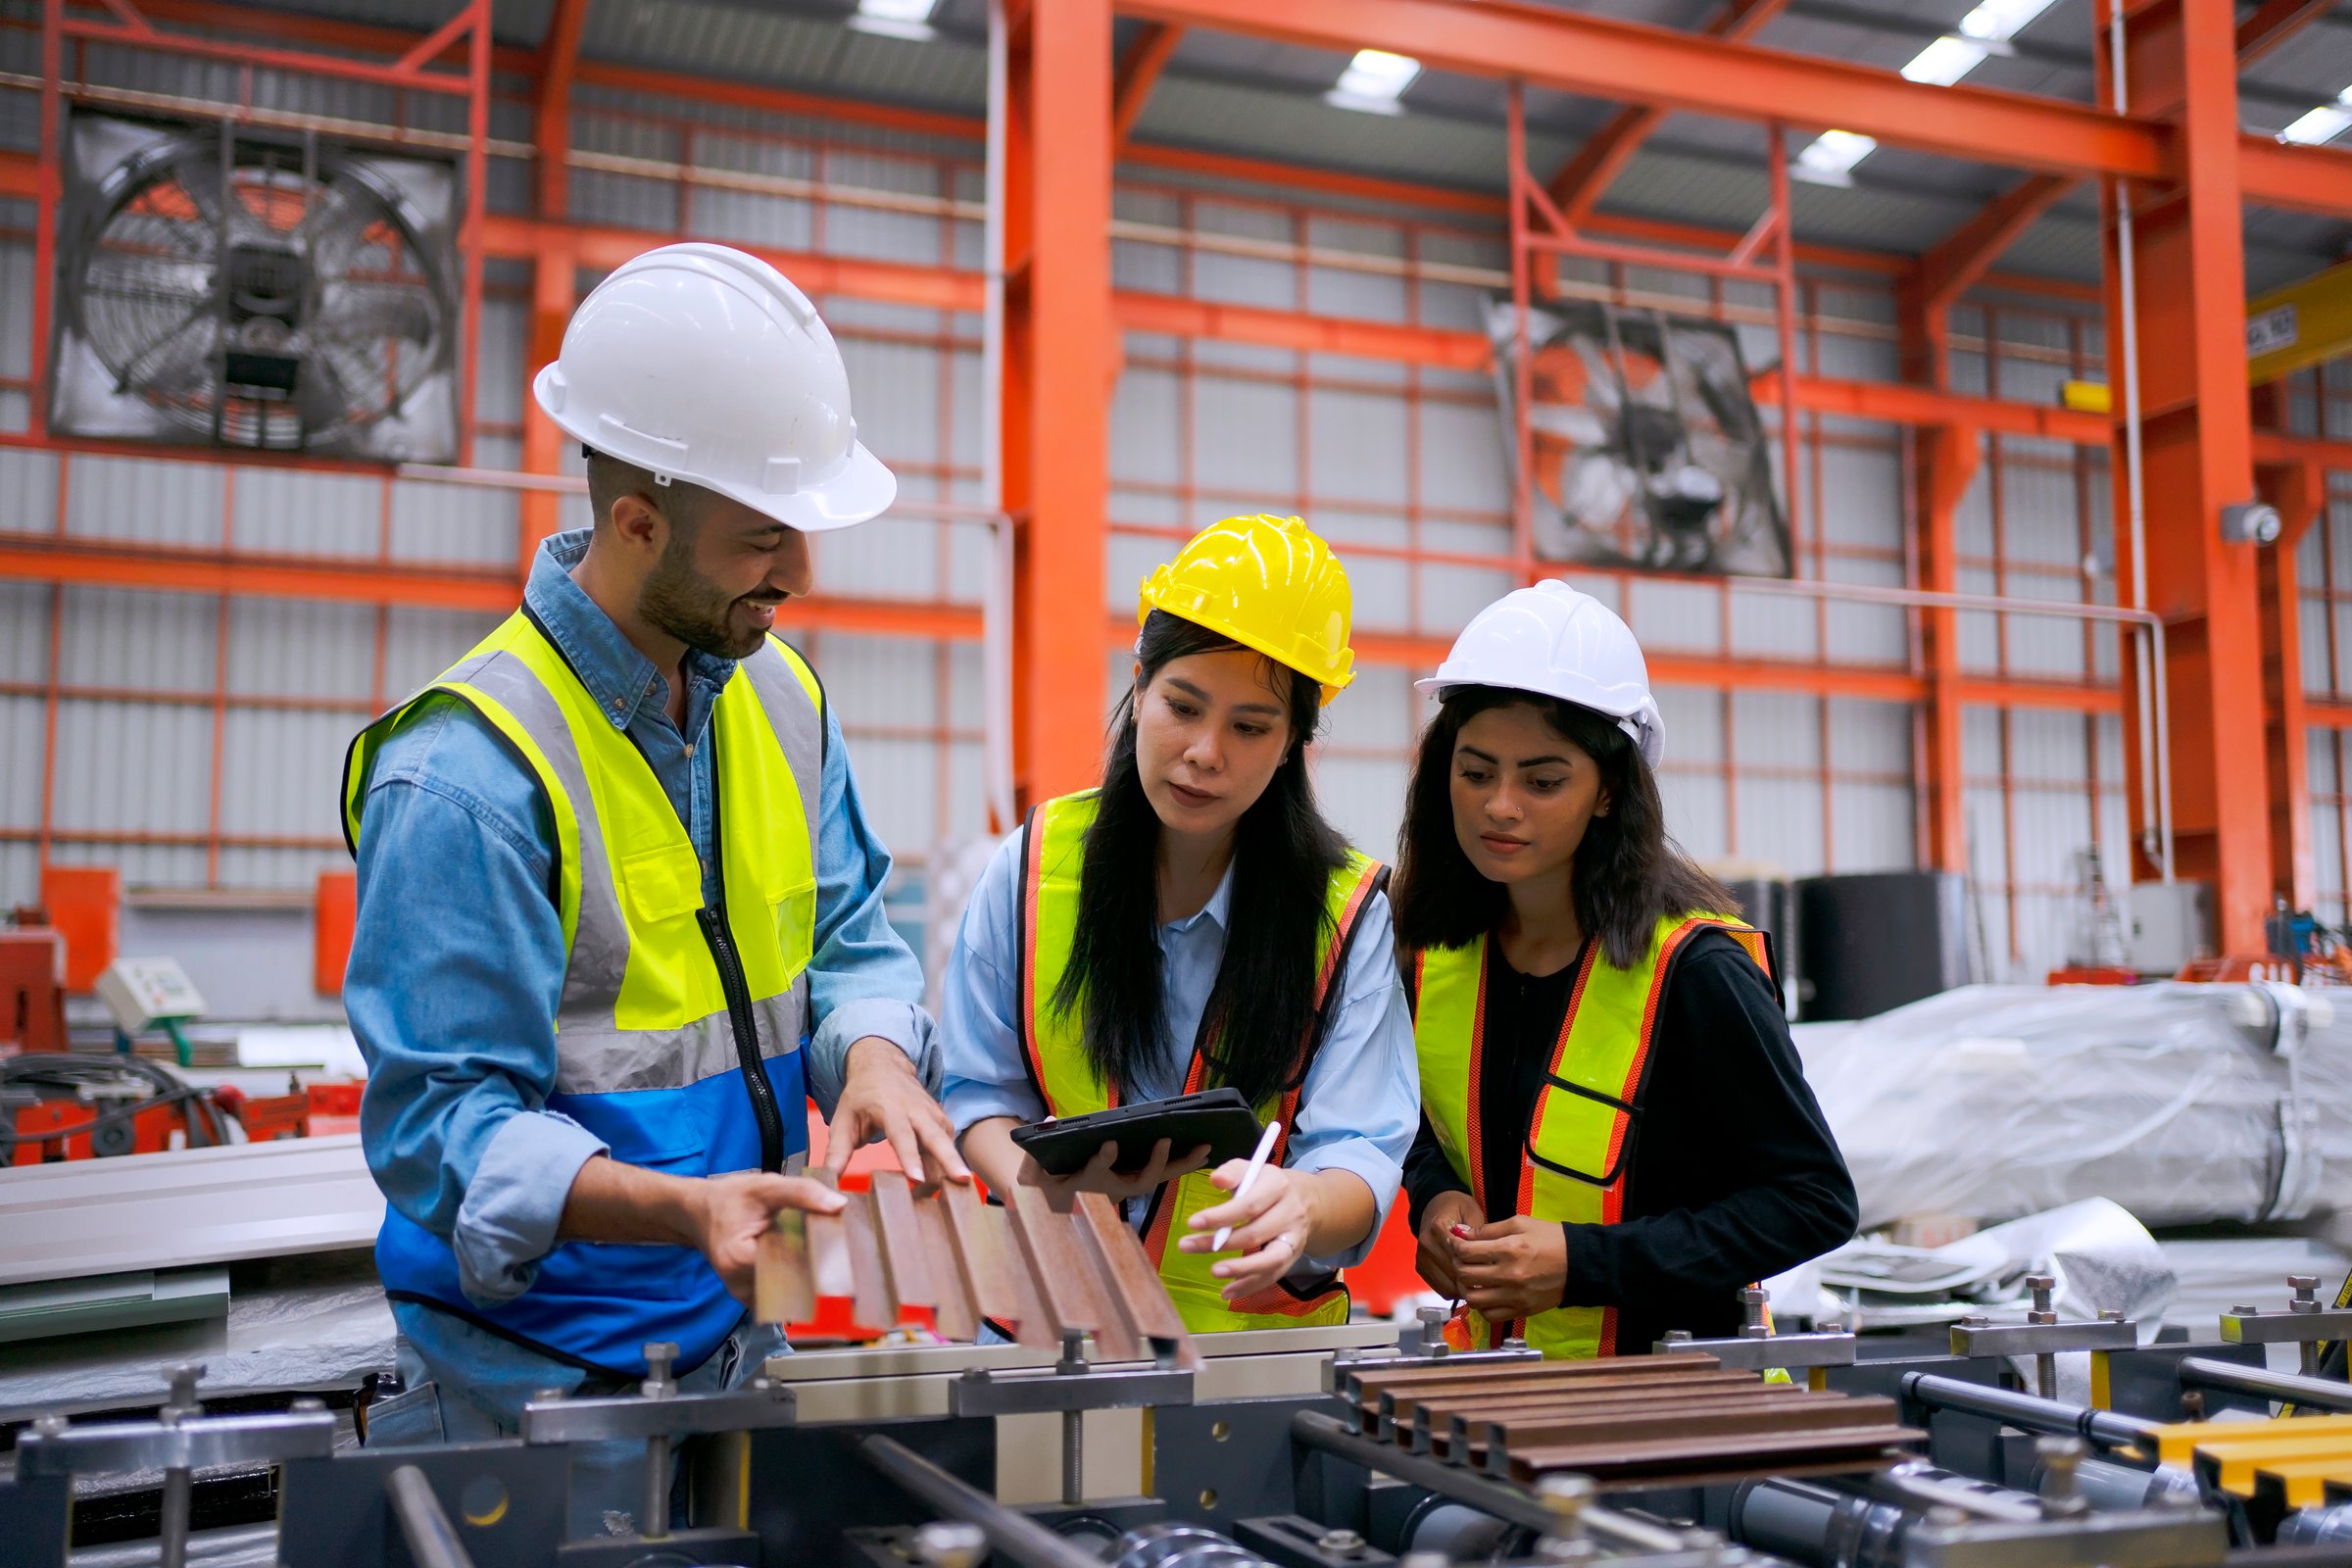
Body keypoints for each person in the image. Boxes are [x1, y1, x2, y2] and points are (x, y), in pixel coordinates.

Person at [340, 243, 965, 1535]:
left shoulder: (782, 699)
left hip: (740, 1337)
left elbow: (849, 934)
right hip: (531, 1382)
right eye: (763, 537)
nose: (799, 570)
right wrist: (683, 1212)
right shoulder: (467, 774)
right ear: (636, 523)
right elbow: (441, 1125)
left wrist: (876, 1061)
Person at [942, 514, 1417, 1331]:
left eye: (1250, 727)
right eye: (1182, 706)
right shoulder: (1033, 869)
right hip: (1047, 1341)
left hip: (1251, 1368)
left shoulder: (1344, 917)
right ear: (1139, 686)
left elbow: (1360, 1148)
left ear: (1293, 741)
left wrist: (1303, 1203)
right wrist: (1039, 1183)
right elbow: (978, 1090)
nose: (1204, 751)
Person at [1394, 581, 1856, 1358]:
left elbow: (1812, 1201)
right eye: (1475, 773)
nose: (1500, 805)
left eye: (1542, 781)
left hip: (1678, 1402)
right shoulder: (1435, 956)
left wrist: (1587, 1263)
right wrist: (1435, 1198)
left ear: (1608, 791)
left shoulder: (1697, 972)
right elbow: (1420, 1123)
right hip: (1504, 1389)